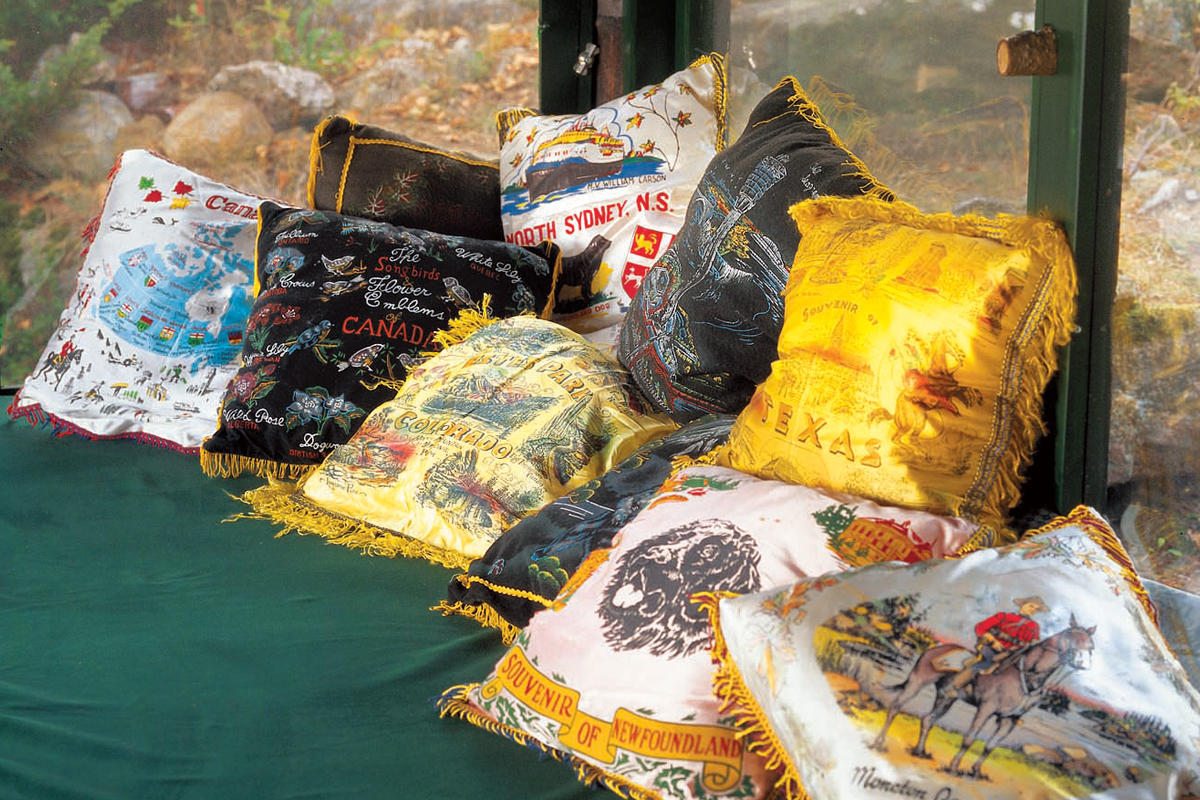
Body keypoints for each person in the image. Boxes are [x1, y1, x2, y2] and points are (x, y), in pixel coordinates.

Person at [947, 596, 1050, 691]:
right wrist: (993, 641)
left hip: (1012, 653)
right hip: (990, 646)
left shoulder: (1034, 626)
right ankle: (956, 685)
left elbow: (1033, 644)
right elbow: (980, 627)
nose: (1032, 609)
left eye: (1036, 609)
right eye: (1031, 606)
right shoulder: (1003, 616)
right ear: (1023, 605)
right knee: (988, 661)